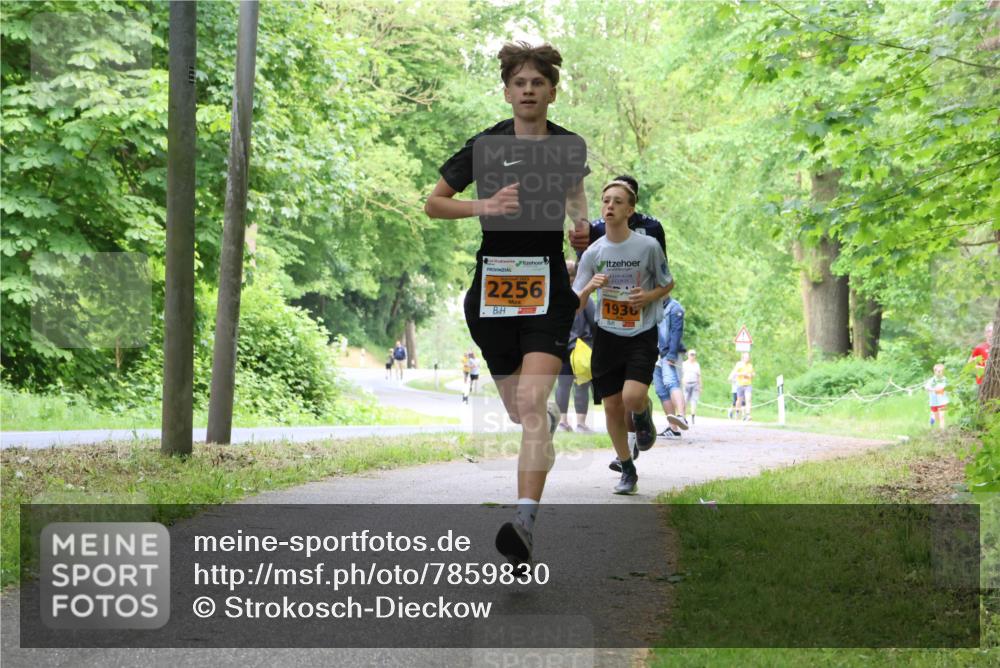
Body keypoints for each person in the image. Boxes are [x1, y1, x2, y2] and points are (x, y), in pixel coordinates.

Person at [424, 41, 592, 567]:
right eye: (519, 83)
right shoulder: (484, 146)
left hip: (547, 288)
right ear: (507, 92)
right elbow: (434, 203)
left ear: (552, 93)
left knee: (533, 406)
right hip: (493, 291)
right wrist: (486, 205)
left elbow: (576, 197)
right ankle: (541, 433)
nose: (528, 91)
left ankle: (523, 524)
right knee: (523, 412)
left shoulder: (568, 146)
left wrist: (580, 228)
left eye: (537, 83)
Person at [574, 180, 674, 495]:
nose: (610, 206)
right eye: (606, 200)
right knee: (612, 407)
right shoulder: (593, 252)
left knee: (632, 398)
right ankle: (627, 468)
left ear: (630, 210)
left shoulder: (648, 246)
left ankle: (642, 412)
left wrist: (648, 297)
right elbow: (575, 302)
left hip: (641, 332)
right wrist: (589, 287)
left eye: (618, 201)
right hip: (607, 334)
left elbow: (668, 283)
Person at [555, 260, 596, 433]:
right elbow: (595, 322)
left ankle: (563, 422)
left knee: (563, 384)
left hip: (561, 347)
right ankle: (580, 423)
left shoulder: (555, 297)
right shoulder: (584, 296)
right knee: (582, 385)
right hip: (582, 347)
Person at [730, 352, 755, 421]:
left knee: (748, 399)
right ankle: (737, 412)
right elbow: (734, 373)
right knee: (739, 401)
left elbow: (753, 373)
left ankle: (748, 415)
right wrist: (742, 374)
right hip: (740, 385)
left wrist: (751, 375)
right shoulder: (739, 364)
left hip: (748, 385)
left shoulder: (750, 365)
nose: (747, 359)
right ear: (743, 358)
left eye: (748, 357)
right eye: (746, 357)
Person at [925, 363, 949, 429]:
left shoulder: (945, 380)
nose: (939, 372)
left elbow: (948, 388)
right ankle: (932, 421)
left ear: (943, 371)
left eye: (940, 371)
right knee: (936, 417)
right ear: (934, 371)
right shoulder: (932, 380)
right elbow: (927, 388)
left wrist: (945, 390)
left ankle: (942, 430)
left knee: (942, 416)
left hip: (943, 401)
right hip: (934, 402)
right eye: (937, 371)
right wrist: (933, 390)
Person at [682, 349, 702, 425]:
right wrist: (683, 382)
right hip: (686, 384)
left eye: (693, 355)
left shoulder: (697, 365)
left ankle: (693, 417)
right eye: (691, 355)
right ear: (688, 355)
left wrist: (700, 386)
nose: (692, 356)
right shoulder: (684, 364)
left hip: (695, 384)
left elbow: (699, 376)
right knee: (685, 400)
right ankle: (683, 417)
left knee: (694, 401)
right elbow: (681, 375)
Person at [970, 322, 993, 387]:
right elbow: (970, 366)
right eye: (989, 331)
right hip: (983, 384)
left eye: (993, 331)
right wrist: (984, 369)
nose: (991, 333)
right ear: (986, 334)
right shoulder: (980, 347)